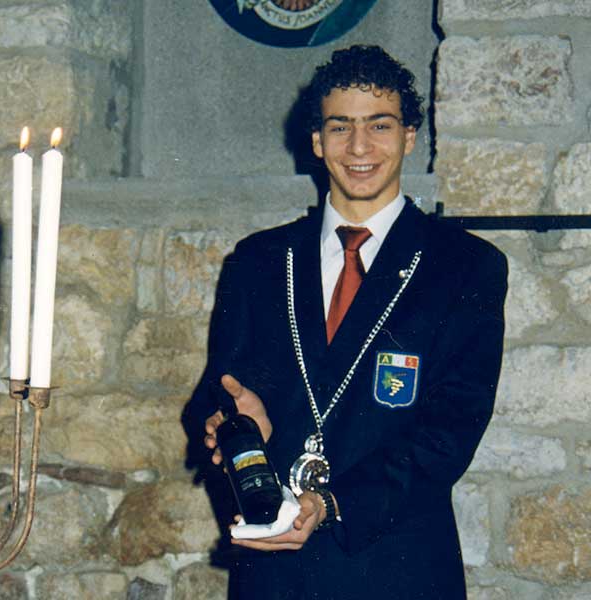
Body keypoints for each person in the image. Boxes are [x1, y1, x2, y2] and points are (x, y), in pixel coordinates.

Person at [186, 45, 508, 599]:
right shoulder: (258, 261)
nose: (360, 147)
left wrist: (332, 504)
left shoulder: (466, 266)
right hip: (276, 572)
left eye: (379, 126)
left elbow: (449, 431)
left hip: (397, 569)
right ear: (316, 141)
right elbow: (222, 389)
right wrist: (234, 420)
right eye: (340, 127)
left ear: (409, 137)